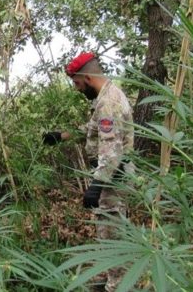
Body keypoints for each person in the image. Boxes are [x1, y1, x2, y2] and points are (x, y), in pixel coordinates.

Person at [43, 52, 134, 292]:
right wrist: (61, 136)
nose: (77, 88)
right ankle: (113, 279)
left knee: (113, 234)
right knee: (108, 233)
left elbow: (112, 151)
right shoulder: (106, 96)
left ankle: (117, 286)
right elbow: (92, 128)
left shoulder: (109, 103)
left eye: (76, 83)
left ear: (87, 77)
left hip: (113, 179)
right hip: (111, 177)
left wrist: (96, 186)